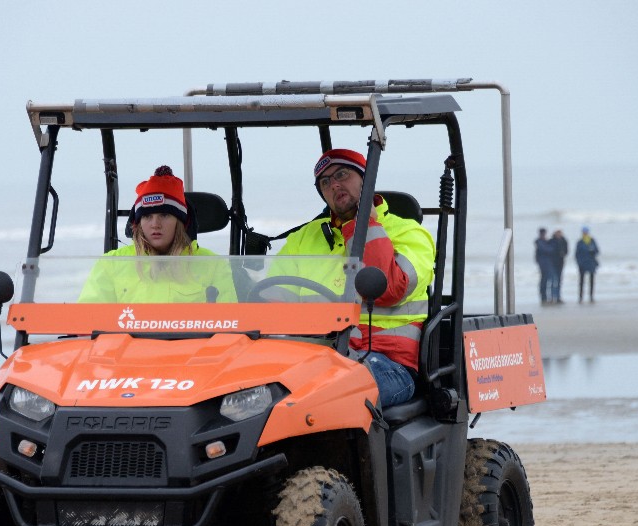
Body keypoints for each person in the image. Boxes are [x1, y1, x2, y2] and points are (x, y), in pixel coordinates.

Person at [275, 149, 436, 408]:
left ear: (366, 180)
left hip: (388, 362)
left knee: (336, 390)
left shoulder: (409, 233)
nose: (334, 184)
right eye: (325, 182)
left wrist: (365, 224)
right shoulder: (304, 238)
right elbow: (271, 299)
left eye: (342, 174)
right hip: (318, 356)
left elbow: (389, 289)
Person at [78, 166, 235, 303]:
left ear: (180, 222)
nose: (155, 224)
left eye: (164, 215)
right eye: (147, 216)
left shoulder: (213, 265)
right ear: (138, 223)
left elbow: (231, 324)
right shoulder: (112, 264)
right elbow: (88, 322)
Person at [575, 225, 600, 303]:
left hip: (591, 263)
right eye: (584, 232)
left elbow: (597, 251)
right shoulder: (580, 242)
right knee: (581, 281)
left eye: (586, 232)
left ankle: (591, 296)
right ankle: (580, 297)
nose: (585, 233)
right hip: (582, 264)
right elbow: (576, 254)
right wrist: (579, 262)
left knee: (591, 280)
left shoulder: (592, 241)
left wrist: (593, 251)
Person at [534, 228, 555, 305]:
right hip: (543, 264)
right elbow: (547, 250)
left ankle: (546, 297)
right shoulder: (540, 242)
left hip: (547, 263)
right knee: (544, 281)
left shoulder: (544, 241)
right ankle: (543, 297)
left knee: (546, 280)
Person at [550, 229, 568, 304]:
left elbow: (567, 251)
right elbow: (550, 251)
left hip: (560, 263)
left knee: (559, 281)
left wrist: (563, 253)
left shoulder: (564, 241)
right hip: (553, 263)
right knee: (554, 280)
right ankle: (552, 297)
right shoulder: (552, 241)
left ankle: (558, 297)